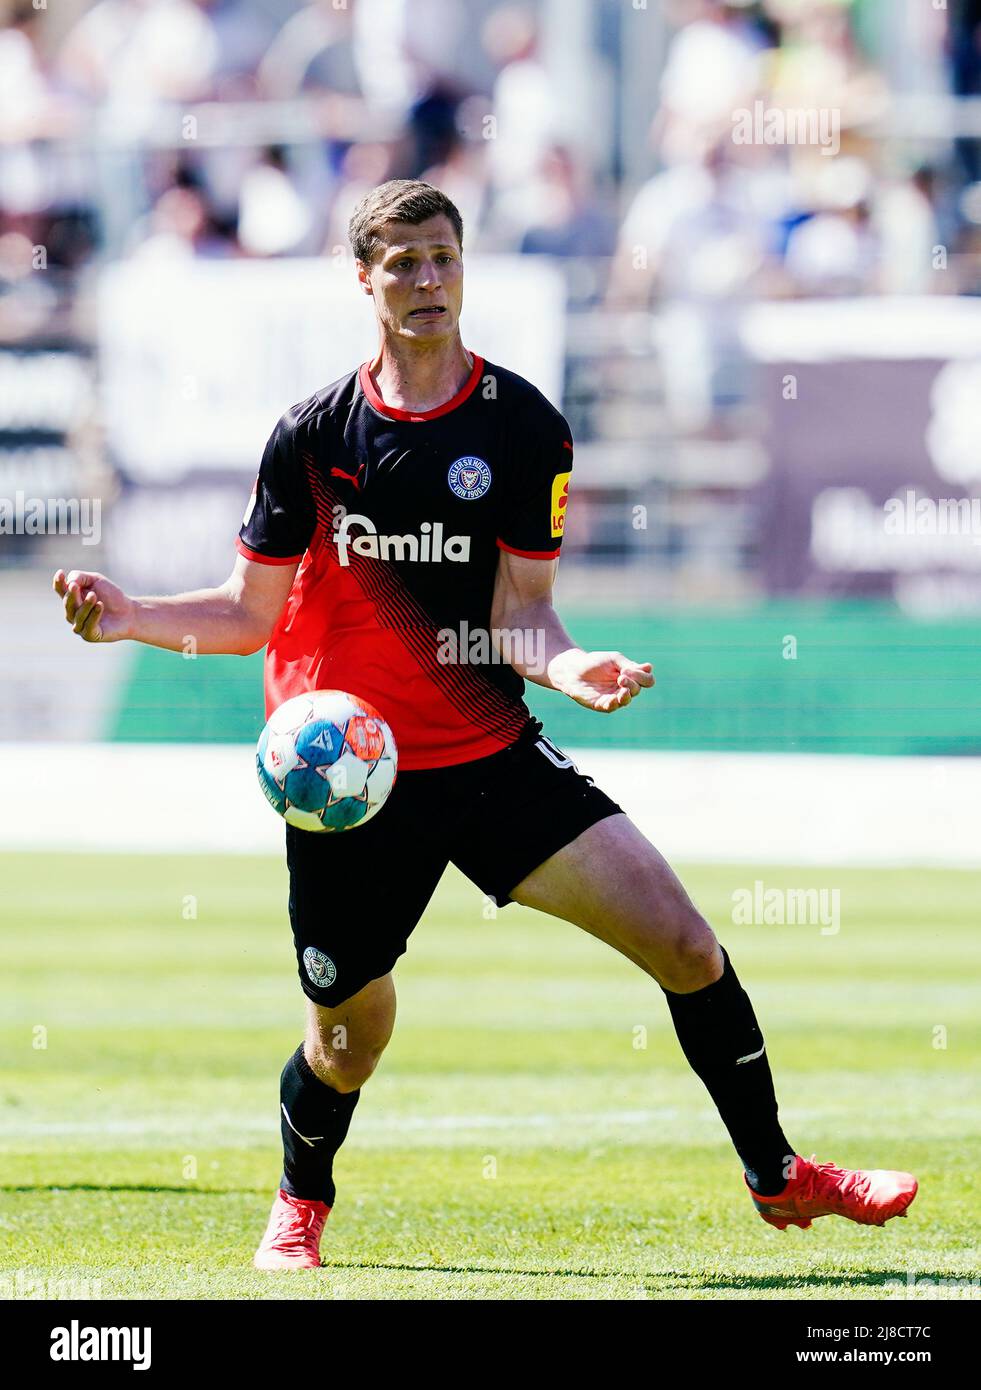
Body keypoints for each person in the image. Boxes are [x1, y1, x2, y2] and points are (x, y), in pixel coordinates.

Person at [53, 179, 917, 1270]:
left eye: (443, 259)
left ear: (465, 269)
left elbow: (524, 618)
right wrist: (130, 615)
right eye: (403, 262)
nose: (426, 281)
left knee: (688, 944)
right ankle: (299, 1201)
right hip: (350, 785)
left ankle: (780, 1176)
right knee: (348, 1040)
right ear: (362, 279)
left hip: (487, 754)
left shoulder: (523, 427)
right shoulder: (312, 437)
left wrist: (573, 665)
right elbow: (245, 614)